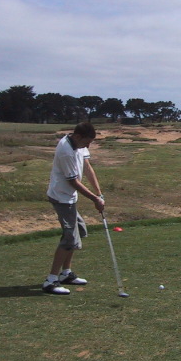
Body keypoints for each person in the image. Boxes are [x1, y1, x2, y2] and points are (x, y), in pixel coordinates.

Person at [43, 122, 105, 295]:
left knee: (78, 231)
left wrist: (99, 193)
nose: (88, 146)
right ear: (77, 136)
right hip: (61, 197)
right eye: (86, 142)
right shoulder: (66, 151)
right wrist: (94, 199)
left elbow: (87, 168)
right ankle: (50, 281)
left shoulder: (79, 146)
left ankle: (66, 273)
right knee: (69, 238)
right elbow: (73, 181)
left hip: (69, 197)